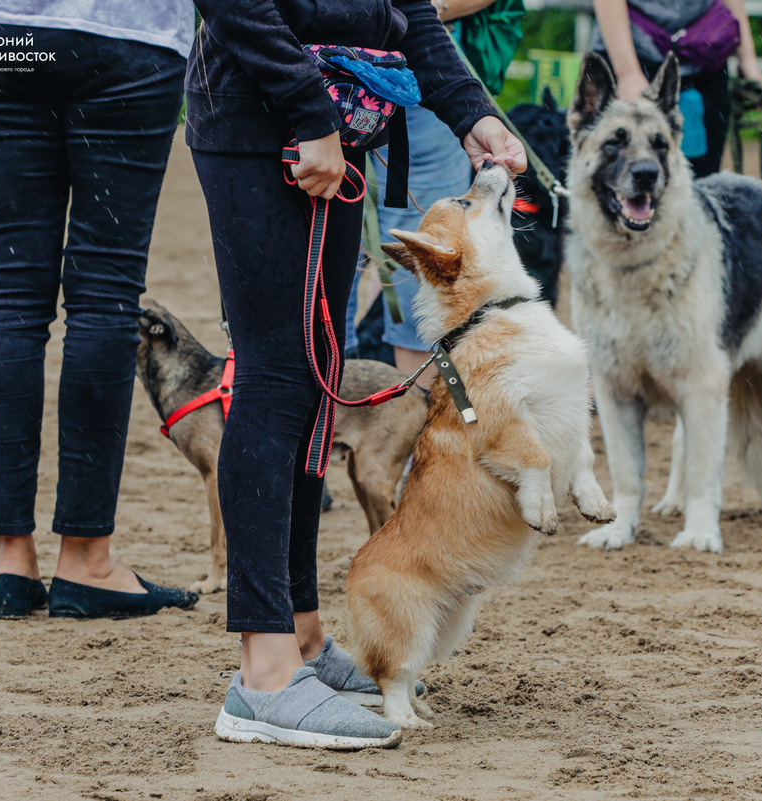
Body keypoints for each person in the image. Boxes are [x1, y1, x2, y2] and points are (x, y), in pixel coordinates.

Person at [188, 0, 526, 748]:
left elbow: (406, 6)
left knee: (315, 378)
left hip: (339, 125)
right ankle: (263, 676)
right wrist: (309, 112)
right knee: (276, 378)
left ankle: (302, 633)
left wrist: (472, 114)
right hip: (268, 124)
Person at [0, 1, 199, 620]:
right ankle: (87, 560)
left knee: (11, 292)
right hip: (128, 35)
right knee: (103, 298)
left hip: (6, 31)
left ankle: (10, 559)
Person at [346, 0, 522, 385]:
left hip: (425, 68)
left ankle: (418, 412)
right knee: (328, 272)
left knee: (429, 272)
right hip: (317, 72)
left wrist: (432, 8)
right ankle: (328, 402)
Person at [591, 0, 762, 178]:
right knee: (630, 176)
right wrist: (628, 74)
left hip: (708, 57)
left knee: (704, 177)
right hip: (634, 58)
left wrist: (748, 60)